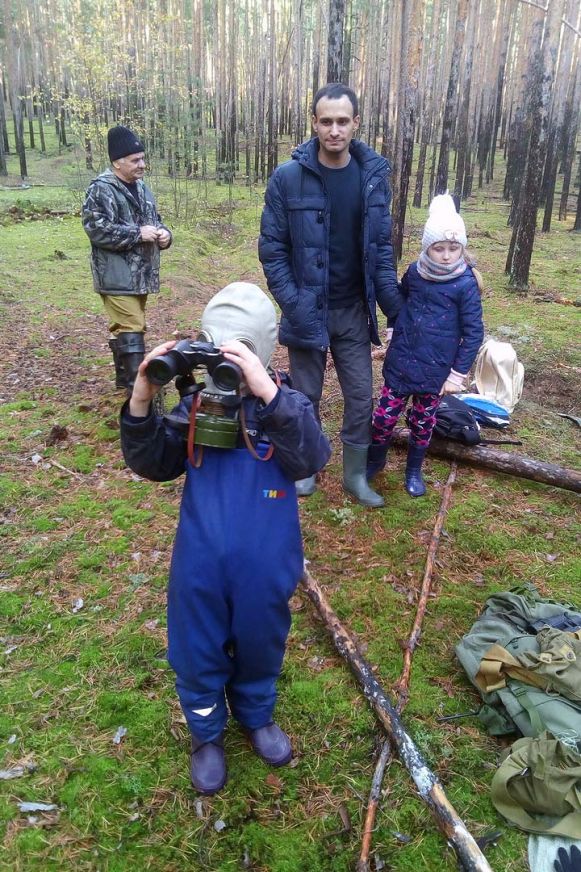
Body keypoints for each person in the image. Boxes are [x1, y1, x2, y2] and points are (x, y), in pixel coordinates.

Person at [119, 282, 331, 794]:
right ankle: (206, 732)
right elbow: (153, 463)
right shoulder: (199, 407)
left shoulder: (288, 407)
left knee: (262, 638)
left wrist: (269, 392)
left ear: (262, 349)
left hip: (265, 561)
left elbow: (310, 459)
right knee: (196, 645)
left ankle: (256, 714)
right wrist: (143, 397)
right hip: (201, 560)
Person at [258, 83, 402, 508]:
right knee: (304, 397)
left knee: (361, 397)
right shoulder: (288, 178)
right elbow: (272, 249)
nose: (334, 130)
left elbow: (380, 250)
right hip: (307, 312)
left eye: (343, 121)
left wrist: (394, 309)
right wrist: (294, 302)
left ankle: (355, 477)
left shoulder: (373, 178)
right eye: (326, 121)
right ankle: (304, 469)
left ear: (356, 122)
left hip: (354, 312)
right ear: (314, 123)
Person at [367, 194, 484, 497]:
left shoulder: (466, 284)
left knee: (422, 423)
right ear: (427, 247)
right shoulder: (414, 273)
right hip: (402, 361)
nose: (446, 255)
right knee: (383, 418)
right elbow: (399, 304)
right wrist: (393, 332)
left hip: (436, 372)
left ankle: (413, 471)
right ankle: (375, 462)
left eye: (453, 248)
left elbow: (473, 333)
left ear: (462, 247)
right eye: (439, 248)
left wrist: (456, 375)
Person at [82, 125, 172, 394]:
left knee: (125, 327)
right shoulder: (101, 189)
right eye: (135, 160)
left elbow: (155, 221)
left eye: (143, 158)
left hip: (140, 274)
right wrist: (137, 234)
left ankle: (124, 379)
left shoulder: (142, 188)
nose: (142, 164)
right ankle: (138, 389)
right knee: (133, 326)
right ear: (117, 162)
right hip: (115, 275)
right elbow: (95, 228)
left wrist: (165, 234)